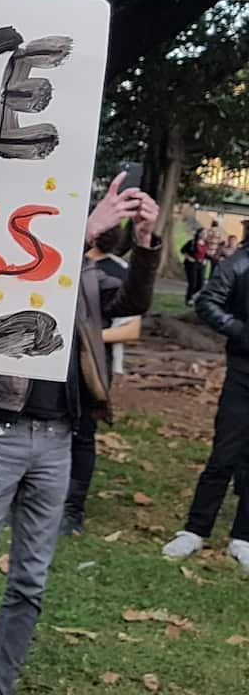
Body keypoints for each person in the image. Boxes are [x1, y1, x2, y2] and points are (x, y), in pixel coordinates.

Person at [0, 173, 160, 695]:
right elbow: (10, 289)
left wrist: (145, 243)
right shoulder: (2, 259)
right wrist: (83, 231)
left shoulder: (89, 281)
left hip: (58, 442)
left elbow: (134, 303)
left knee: (29, 583)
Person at [162, 235, 249, 571]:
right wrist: (239, 330)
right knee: (223, 455)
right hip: (242, 374)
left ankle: (243, 537)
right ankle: (195, 530)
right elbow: (207, 301)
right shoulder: (239, 263)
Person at [61, 224, 140, 536]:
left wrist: (86, 338)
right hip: (54, 363)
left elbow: (131, 330)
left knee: (82, 435)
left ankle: (73, 510)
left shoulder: (119, 272)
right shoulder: (66, 262)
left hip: (93, 366)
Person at [181, 227, 207, 305]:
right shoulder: (192, 242)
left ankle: (191, 296)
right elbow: (182, 250)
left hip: (201, 265)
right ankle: (188, 299)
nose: (204, 235)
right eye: (202, 233)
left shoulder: (205, 243)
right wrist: (188, 257)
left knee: (200, 284)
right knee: (193, 283)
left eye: (205, 233)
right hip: (192, 265)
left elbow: (204, 254)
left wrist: (205, 259)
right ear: (198, 234)